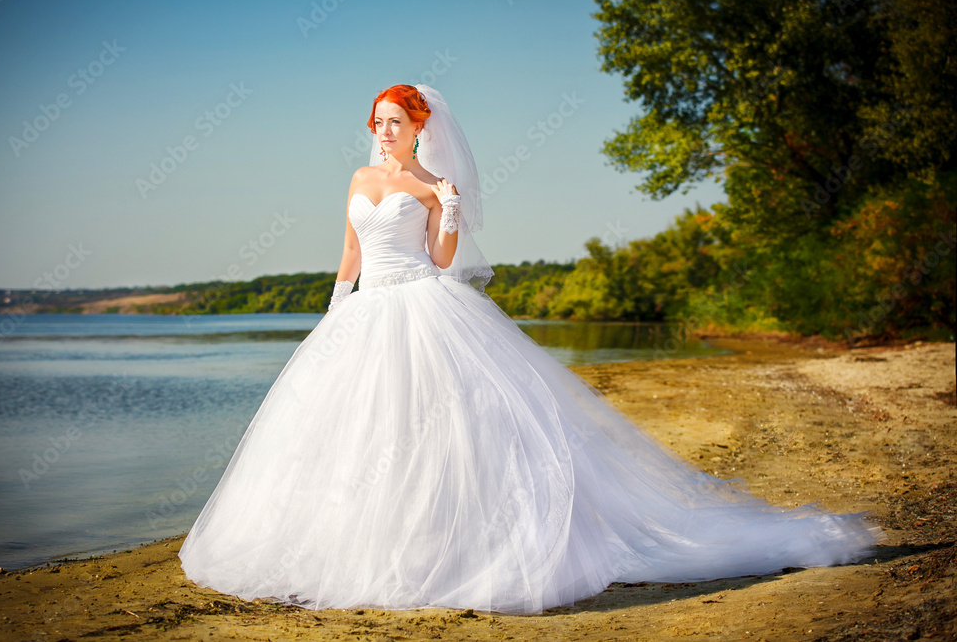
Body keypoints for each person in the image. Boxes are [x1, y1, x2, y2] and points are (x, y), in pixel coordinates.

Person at [177, 83, 883, 615]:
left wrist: (449, 210)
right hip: (364, 313)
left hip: (425, 303)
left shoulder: (431, 186)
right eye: (378, 123)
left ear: (420, 127)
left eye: (395, 122)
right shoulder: (361, 180)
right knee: (354, 433)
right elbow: (350, 250)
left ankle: (453, 547)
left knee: (450, 429)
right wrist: (335, 312)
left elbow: (445, 257)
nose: (383, 133)